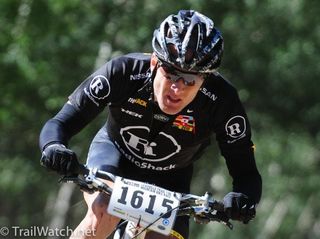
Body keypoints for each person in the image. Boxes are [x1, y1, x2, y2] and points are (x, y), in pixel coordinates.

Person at [39, 10, 262, 239]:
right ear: (155, 62)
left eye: (191, 80)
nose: (178, 88)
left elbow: (245, 170)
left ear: (205, 78)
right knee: (104, 211)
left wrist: (244, 199)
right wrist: (54, 147)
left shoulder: (222, 101)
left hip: (172, 177)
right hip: (115, 154)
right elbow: (61, 122)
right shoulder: (124, 72)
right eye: (172, 73)